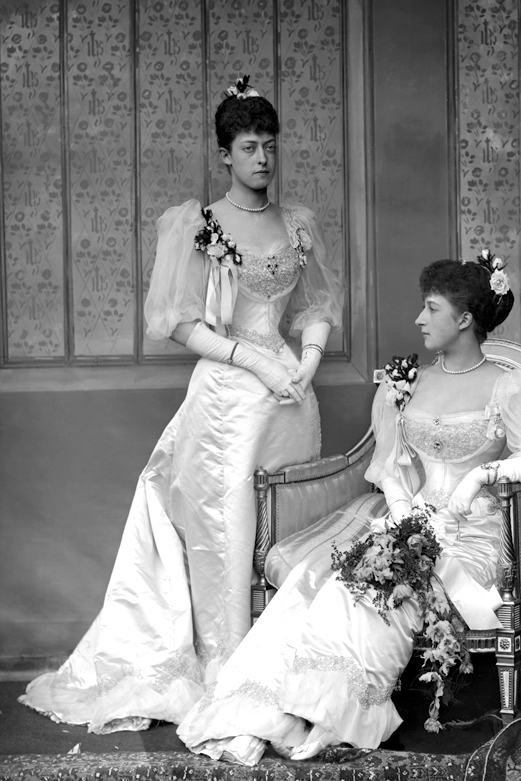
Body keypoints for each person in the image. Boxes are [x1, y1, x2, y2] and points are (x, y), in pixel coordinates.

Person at [19, 77, 341, 734]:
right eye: (249, 147)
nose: (262, 159)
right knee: (226, 528)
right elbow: (178, 321)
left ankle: (282, 660)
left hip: (288, 398)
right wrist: (250, 357)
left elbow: (314, 306)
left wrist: (304, 363)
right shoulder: (200, 223)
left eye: (270, 147)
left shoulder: (298, 223)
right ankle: (228, 667)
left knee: (289, 519)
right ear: (225, 153)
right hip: (227, 401)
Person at [175, 254, 521, 765]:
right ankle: (279, 705)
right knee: (331, 583)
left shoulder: (512, 384)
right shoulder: (407, 379)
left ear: (464, 319)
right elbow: (389, 464)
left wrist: (485, 474)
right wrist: (402, 510)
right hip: (411, 518)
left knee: (388, 591)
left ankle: (336, 713)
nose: (418, 319)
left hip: (475, 531)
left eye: (431, 308)